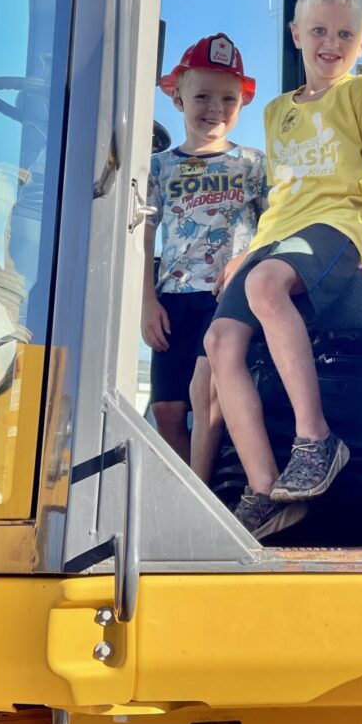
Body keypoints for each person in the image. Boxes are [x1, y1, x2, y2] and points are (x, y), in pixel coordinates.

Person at [204, 0, 362, 538]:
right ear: (296, 35)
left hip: (333, 229)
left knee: (268, 287)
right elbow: (282, 195)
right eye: (319, 30)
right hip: (276, 234)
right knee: (220, 341)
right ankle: (266, 488)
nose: (331, 42)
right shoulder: (275, 113)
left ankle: (316, 440)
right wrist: (246, 248)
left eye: (345, 33)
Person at [142, 33, 266, 483]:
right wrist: (146, 301)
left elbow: (276, 225)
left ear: (242, 103)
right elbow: (145, 235)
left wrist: (245, 258)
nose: (215, 108)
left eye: (228, 98)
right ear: (177, 98)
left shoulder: (253, 164)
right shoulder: (158, 167)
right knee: (167, 409)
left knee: (203, 392)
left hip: (224, 298)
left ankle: (200, 503)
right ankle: (190, 487)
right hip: (172, 296)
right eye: (202, 96)